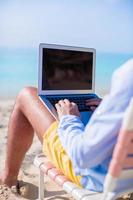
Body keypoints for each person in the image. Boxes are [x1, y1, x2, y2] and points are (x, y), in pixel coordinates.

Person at [0, 59, 133, 193]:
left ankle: (8, 178)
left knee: (26, 94)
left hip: (98, 178)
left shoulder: (129, 74)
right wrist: (112, 110)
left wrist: (69, 118)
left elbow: (82, 157)